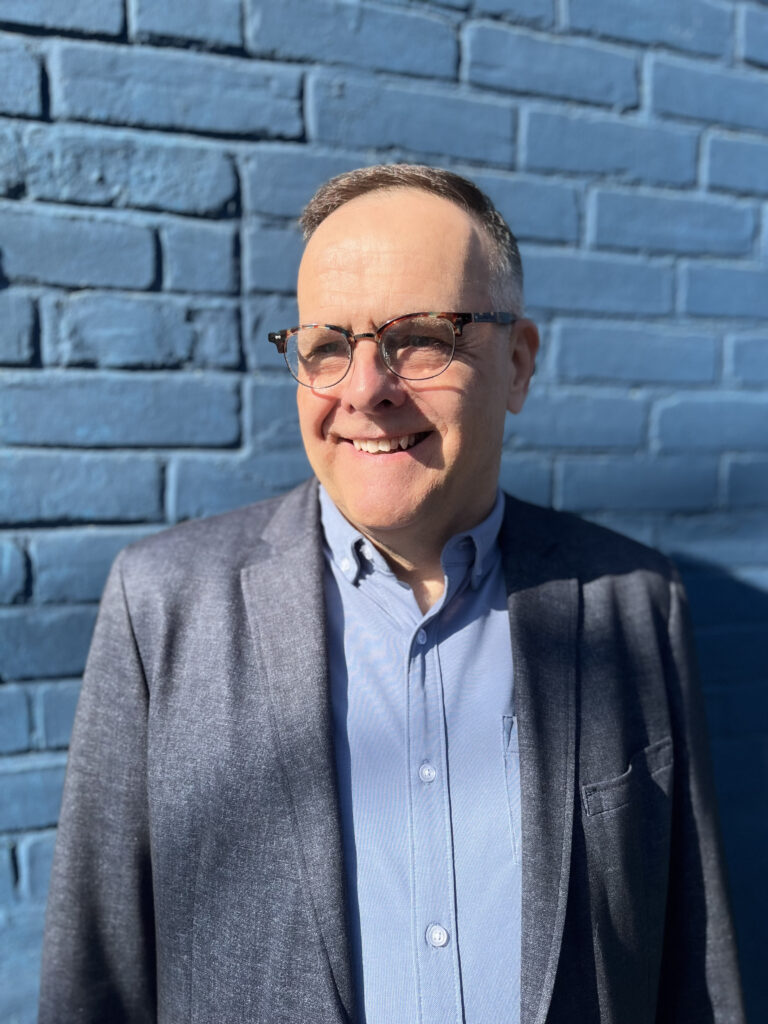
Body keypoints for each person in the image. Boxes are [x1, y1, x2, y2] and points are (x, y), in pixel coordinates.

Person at [38, 165, 744, 1024]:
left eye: (419, 338)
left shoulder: (632, 601)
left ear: (518, 365)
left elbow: (692, 970)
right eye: (327, 346)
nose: (366, 390)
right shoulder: (163, 608)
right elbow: (95, 982)